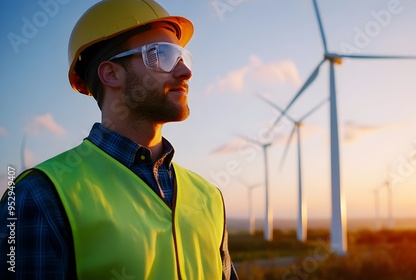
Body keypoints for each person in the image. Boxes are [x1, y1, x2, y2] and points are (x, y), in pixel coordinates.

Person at [0, 0, 239, 279]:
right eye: (162, 55)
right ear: (111, 74)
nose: (185, 71)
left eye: (183, 56)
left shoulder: (210, 197)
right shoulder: (39, 195)